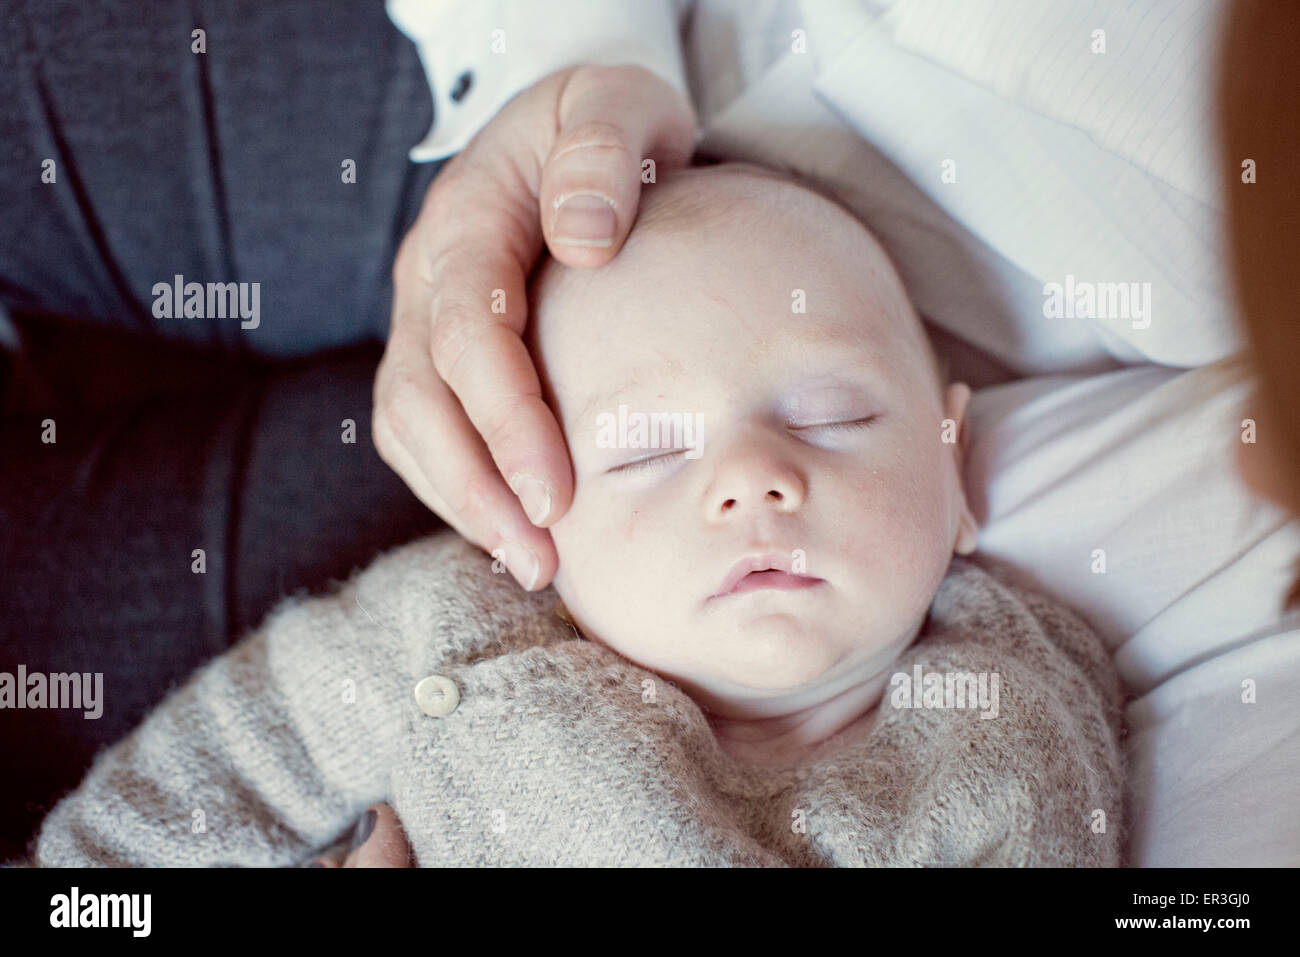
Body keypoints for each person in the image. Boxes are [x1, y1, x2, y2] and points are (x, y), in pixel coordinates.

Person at [25, 164, 1125, 867]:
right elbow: (191, 794)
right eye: (645, 447)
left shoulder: (1007, 731)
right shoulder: (447, 621)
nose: (750, 479)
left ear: (955, 462)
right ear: (524, 510)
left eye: (833, 416)